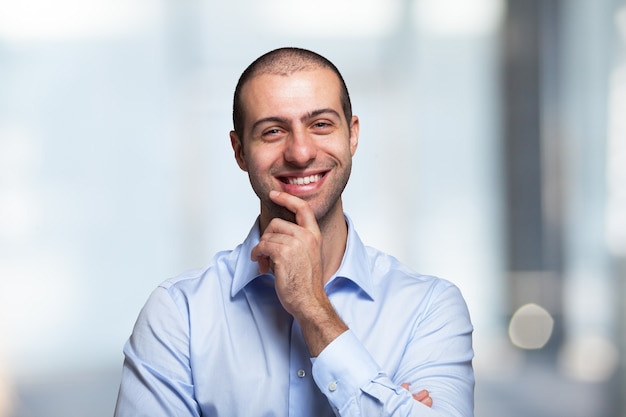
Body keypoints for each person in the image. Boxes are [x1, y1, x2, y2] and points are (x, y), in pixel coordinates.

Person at [114, 47, 474, 417]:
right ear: (239, 152)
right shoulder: (178, 315)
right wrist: (384, 401)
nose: (300, 153)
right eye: (273, 131)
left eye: (320, 124)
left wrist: (313, 308)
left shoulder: (429, 309)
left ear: (352, 136)